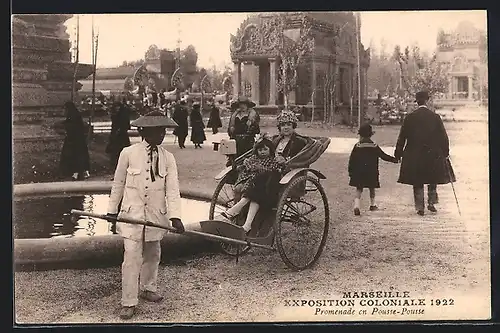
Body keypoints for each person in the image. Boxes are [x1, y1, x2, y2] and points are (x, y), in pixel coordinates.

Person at [106, 111, 185, 320]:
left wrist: (176, 216)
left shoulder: (168, 158)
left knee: (153, 253)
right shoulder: (128, 154)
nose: (161, 134)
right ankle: (129, 301)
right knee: (131, 257)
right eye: (157, 130)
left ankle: (148, 287)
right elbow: (118, 184)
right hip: (132, 215)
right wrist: (112, 211)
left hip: (155, 216)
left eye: (164, 130)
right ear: (144, 131)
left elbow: (172, 189)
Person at [394, 90, 456, 216]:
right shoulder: (435, 117)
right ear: (427, 101)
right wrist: (445, 151)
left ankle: (419, 207)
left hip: (414, 153)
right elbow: (443, 137)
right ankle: (432, 202)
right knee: (432, 177)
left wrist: (398, 153)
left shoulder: (409, 118)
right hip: (433, 153)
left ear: (417, 102)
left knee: (417, 180)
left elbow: (402, 137)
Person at [217, 136, 285, 233]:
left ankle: (236, 211)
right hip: (255, 184)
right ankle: (244, 222)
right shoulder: (253, 158)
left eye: (265, 149)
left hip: (266, 185)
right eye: (260, 150)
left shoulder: (272, 160)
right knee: (251, 190)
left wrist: (258, 168)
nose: (262, 152)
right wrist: (252, 166)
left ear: (270, 150)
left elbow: (273, 170)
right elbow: (246, 166)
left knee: (256, 185)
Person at [348, 123, 398, 216]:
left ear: (360, 135)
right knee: (372, 188)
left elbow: (352, 160)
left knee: (359, 188)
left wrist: (351, 172)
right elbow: (383, 156)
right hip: (371, 172)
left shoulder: (357, 146)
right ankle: (372, 204)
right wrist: (394, 159)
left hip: (359, 172)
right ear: (370, 134)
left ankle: (357, 205)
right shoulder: (374, 146)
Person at [59, 101, 91, 181]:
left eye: (65, 109)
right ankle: (80, 173)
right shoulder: (75, 115)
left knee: (74, 157)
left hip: (74, 141)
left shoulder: (73, 116)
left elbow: (72, 127)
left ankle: (75, 173)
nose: (64, 111)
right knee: (78, 157)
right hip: (78, 141)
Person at [227, 96, 260, 162]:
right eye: (241, 104)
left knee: (247, 160)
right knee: (234, 161)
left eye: (244, 104)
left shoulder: (253, 115)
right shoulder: (234, 115)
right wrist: (231, 131)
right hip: (236, 142)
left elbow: (257, 130)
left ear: (247, 105)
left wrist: (251, 125)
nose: (242, 106)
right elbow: (229, 130)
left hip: (248, 142)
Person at [106, 100, 131, 171]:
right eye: (116, 107)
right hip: (116, 135)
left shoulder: (123, 113)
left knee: (122, 151)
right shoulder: (116, 113)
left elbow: (125, 124)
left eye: (118, 107)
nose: (117, 108)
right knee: (115, 152)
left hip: (122, 135)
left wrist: (120, 130)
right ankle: (114, 167)